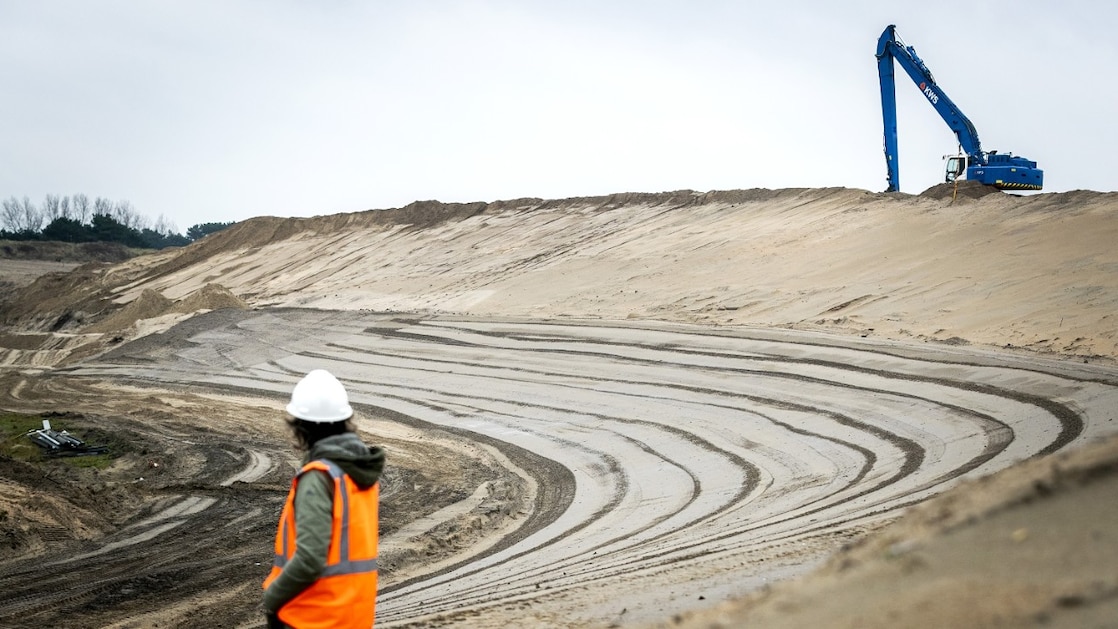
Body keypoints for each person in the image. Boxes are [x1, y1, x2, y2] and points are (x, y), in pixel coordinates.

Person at [263, 369, 386, 629]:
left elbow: (310, 559)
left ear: (301, 427)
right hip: (353, 616)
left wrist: (273, 597)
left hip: (311, 617)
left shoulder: (319, 477)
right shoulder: (359, 473)